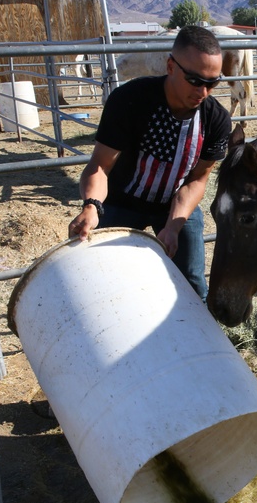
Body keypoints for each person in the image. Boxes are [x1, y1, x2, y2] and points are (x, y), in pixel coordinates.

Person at [68, 25, 230, 301]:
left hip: (175, 204)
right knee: (102, 278)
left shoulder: (215, 119)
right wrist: (92, 206)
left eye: (213, 83)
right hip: (121, 201)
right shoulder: (130, 100)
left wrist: (174, 226)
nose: (203, 92)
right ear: (170, 66)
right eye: (194, 79)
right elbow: (100, 166)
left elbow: (197, 180)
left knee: (192, 283)